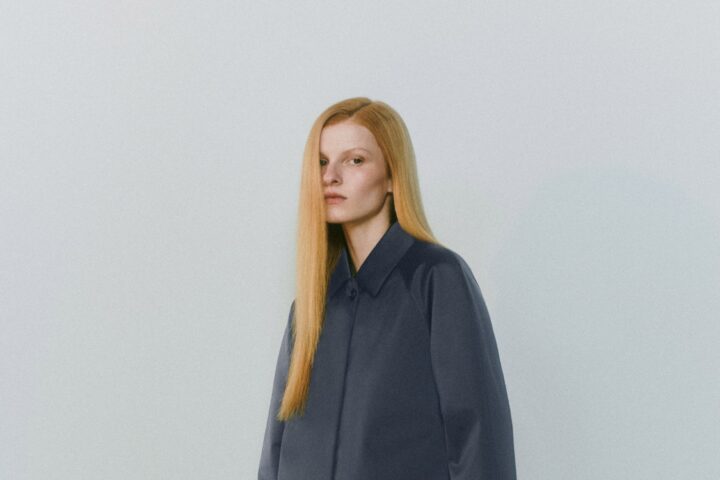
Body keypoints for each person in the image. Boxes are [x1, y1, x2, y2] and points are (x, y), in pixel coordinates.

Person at [258, 97, 516, 480]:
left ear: (393, 177)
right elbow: (276, 450)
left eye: (355, 160)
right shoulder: (312, 304)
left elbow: (478, 437)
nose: (331, 176)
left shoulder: (436, 279)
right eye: (322, 162)